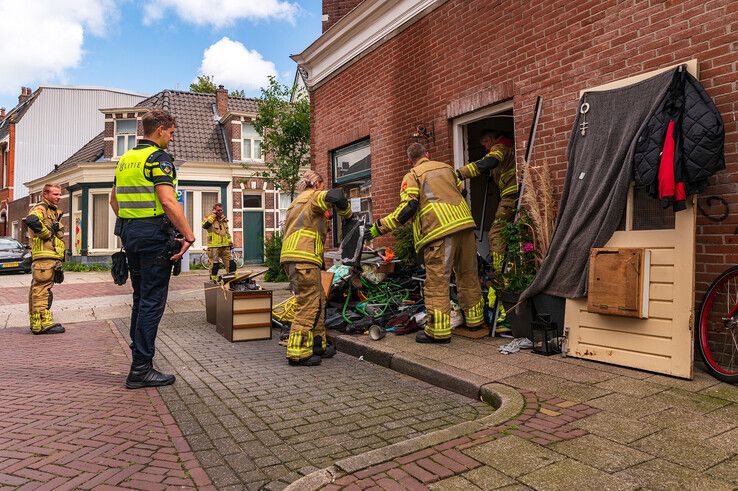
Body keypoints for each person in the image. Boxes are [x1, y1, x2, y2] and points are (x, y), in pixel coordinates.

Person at [110, 109, 196, 389]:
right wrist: (189, 235)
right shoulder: (158, 159)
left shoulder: (125, 161)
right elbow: (169, 202)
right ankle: (141, 369)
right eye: (171, 133)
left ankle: (139, 360)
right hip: (153, 236)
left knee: (140, 298)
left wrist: (131, 224)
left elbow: (114, 200)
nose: (171, 138)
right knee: (152, 301)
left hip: (130, 234)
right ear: (160, 129)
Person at [370, 143, 485, 343]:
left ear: (409, 160)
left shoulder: (412, 175)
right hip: (465, 226)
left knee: (437, 281)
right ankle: (475, 321)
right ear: (427, 154)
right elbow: (462, 192)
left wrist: (378, 228)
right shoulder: (447, 168)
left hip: (439, 231)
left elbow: (409, 207)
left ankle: (438, 332)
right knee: (468, 275)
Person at [280, 170, 352, 366]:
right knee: (308, 304)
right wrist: (347, 215)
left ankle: (318, 344)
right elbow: (336, 195)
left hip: (294, 258)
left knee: (318, 299)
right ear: (318, 183)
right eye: (323, 184)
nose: (324, 187)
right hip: (304, 258)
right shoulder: (313, 196)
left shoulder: (295, 203)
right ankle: (297, 352)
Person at [456, 129, 516, 271]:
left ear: (491, 139)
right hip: (513, 193)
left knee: (496, 233)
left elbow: (490, 161)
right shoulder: (510, 147)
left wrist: (459, 174)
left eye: (485, 143)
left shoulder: (499, 147)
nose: (485, 148)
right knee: (512, 232)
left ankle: (499, 272)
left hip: (511, 194)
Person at [23, 183, 66, 334]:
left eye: (60, 194)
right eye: (55, 194)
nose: (59, 197)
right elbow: (31, 220)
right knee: (42, 290)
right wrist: (47, 234)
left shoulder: (52, 211)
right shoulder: (41, 208)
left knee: (39, 289)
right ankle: (44, 324)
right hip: (44, 259)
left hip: (47, 258)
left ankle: (37, 324)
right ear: (45, 195)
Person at [202, 203, 234, 281]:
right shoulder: (209, 218)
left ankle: (232, 280)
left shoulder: (224, 219)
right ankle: (214, 281)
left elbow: (227, 232)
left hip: (225, 246)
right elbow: (205, 226)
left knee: (231, 263)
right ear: (214, 210)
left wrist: (230, 242)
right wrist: (213, 216)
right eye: (218, 210)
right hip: (214, 247)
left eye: (221, 210)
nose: (220, 212)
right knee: (214, 265)